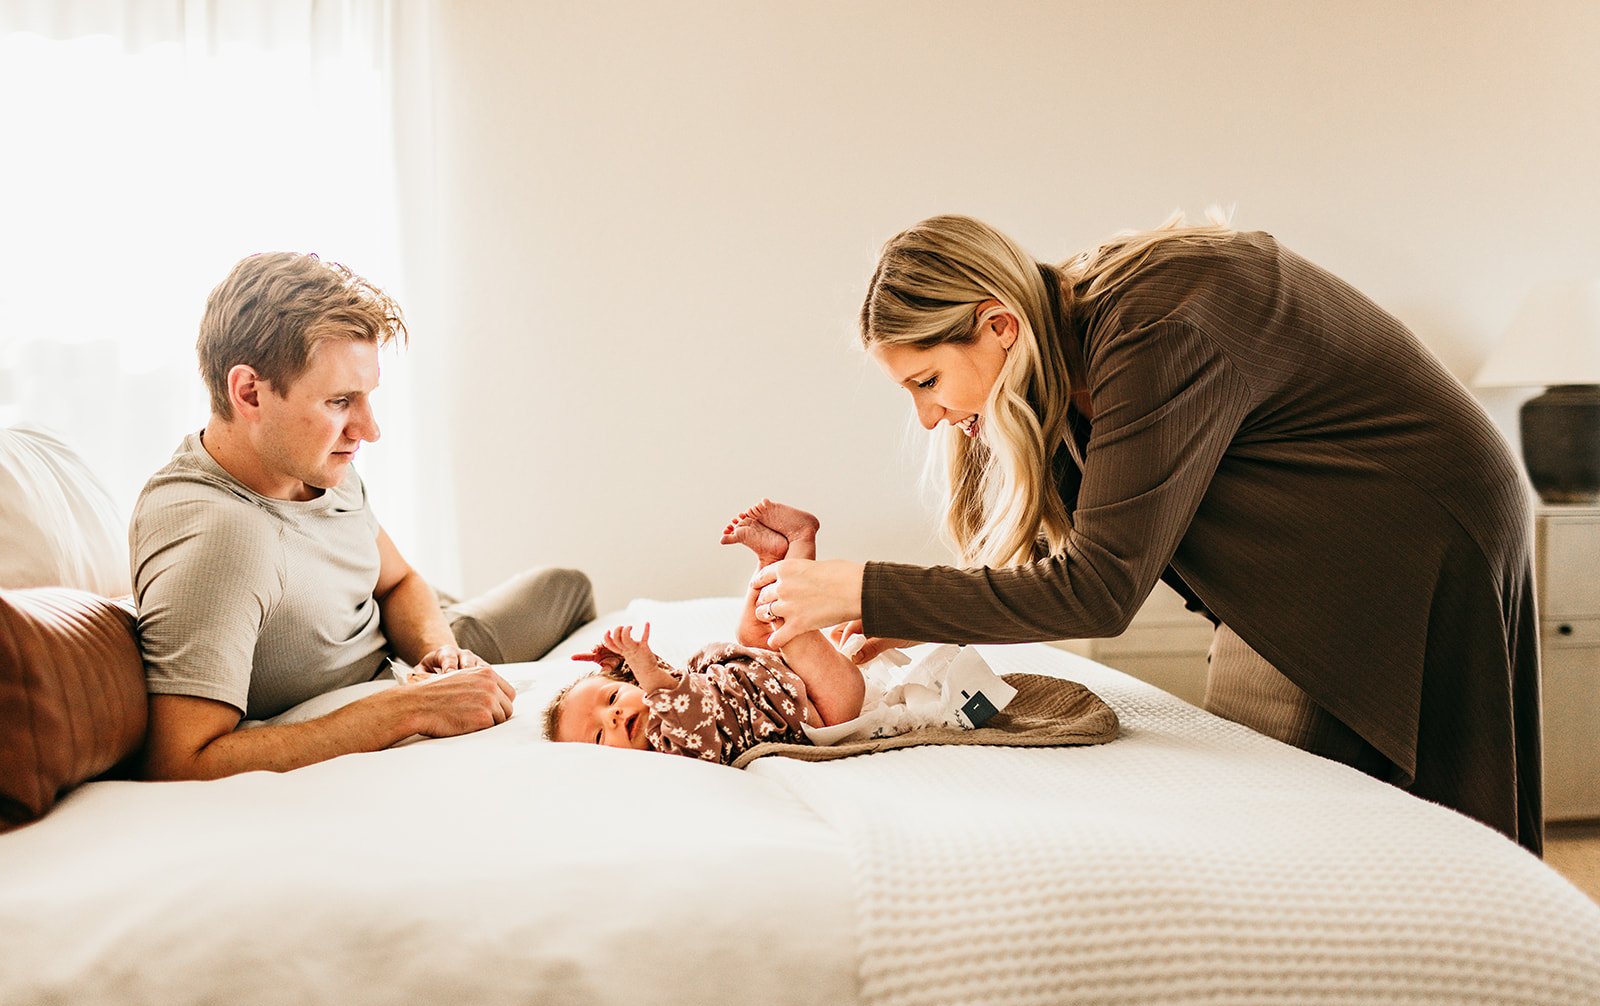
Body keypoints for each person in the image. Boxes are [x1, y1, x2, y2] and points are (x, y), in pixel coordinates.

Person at [751, 214, 1542, 853]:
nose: (928, 415)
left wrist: (862, 587)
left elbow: (1097, 589)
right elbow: (1061, 562)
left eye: (927, 381)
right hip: (1332, 531)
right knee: (1265, 786)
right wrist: (889, 613)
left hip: (1416, 512)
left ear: (998, 325)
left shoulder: (1157, 327)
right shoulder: (1067, 347)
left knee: (1339, 810)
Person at [132, 252, 596, 780]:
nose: (369, 430)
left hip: (401, 650)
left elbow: (397, 581)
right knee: (567, 591)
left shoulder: (314, 463)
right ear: (249, 392)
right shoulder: (217, 536)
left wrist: (441, 654)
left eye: (366, 398)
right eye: (339, 401)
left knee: (566, 586)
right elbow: (179, 760)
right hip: (381, 682)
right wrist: (411, 709)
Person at [546, 500, 866, 763]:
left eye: (612, 696)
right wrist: (643, 669)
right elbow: (684, 711)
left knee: (753, 628)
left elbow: (665, 682)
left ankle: (771, 558)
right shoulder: (670, 750)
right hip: (822, 709)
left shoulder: (658, 693)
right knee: (786, 622)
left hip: (760, 677)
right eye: (600, 735)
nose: (613, 715)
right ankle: (798, 539)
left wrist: (622, 663)